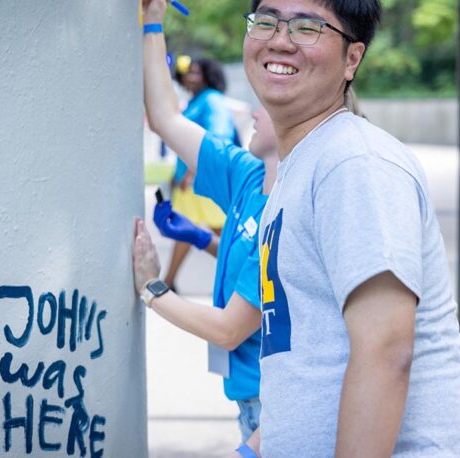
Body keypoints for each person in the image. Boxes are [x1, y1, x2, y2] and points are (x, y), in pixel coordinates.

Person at [232, 1, 460, 457]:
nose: (280, 40)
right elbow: (309, 353)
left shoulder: (353, 163)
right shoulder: (303, 166)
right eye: (266, 21)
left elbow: (385, 350)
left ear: (352, 58)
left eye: (308, 27)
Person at [133, 0, 280, 442]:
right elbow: (165, 118)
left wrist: (151, 288)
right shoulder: (248, 176)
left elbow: (231, 329)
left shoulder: (289, 210)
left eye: (264, 106)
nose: (251, 114)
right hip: (251, 400)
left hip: (273, 408)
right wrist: (153, 19)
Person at [164, 56, 239, 291]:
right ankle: (169, 280)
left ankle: (243, 277)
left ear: (209, 75)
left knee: (224, 232)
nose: (191, 77)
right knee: (187, 231)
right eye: (189, 72)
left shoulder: (212, 100)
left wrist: (193, 170)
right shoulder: (197, 100)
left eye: (197, 72)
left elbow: (219, 134)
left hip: (202, 179)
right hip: (191, 181)